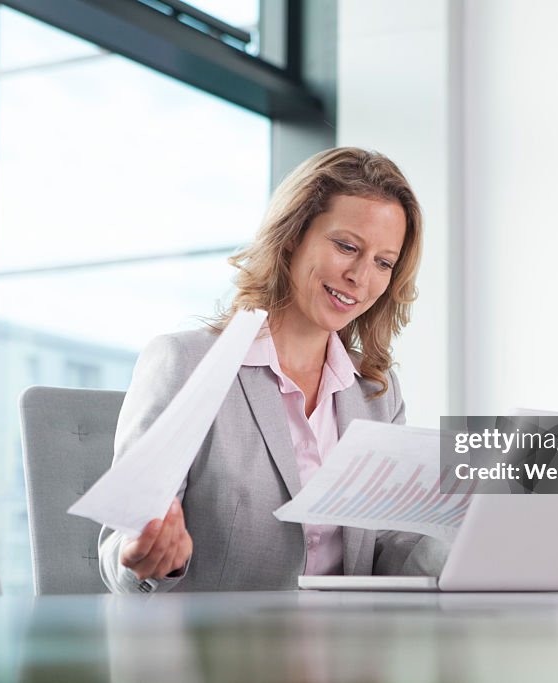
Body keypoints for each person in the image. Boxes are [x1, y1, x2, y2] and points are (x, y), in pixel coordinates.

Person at [98, 147, 448, 593]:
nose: (361, 277)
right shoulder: (184, 364)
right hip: (222, 652)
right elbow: (118, 552)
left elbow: (383, 547)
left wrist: (466, 543)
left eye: (383, 262)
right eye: (346, 247)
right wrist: (147, 556)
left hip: (348, 652)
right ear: (291, 237)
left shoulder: (376, 391)